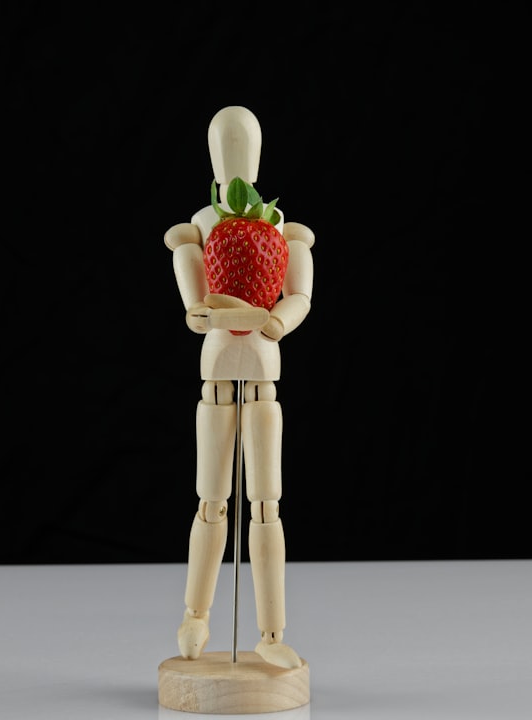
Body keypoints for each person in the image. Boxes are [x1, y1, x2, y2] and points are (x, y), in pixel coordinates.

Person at [162, 106, 315, 669]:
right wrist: (203, 309)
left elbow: (299, 296)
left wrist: (277, 321)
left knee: (267, 504)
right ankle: (196, 615)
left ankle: (271, 634)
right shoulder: (199, 227)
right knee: (211, 501)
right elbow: (194, 298)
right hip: (218, 376)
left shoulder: (281, 229)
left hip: (264, 374)